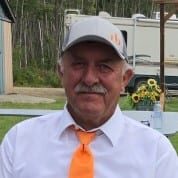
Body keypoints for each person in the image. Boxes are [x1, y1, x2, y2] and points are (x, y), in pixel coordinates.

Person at [0, 16, 178, 178]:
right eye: (79, 64)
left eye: (104, 67)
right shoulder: (19, 142)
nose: (90, 78)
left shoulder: (156, 153)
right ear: (61, 72)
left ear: (125, 78)